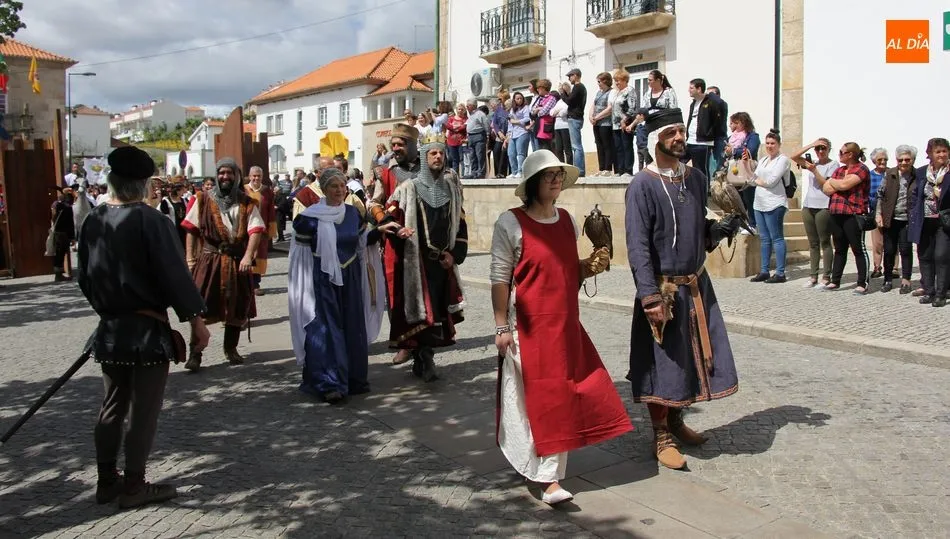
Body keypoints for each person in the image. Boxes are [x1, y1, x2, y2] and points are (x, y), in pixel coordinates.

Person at [490, 150, 631, 506]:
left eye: (558, 174)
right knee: (537, 400)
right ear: (532, 183)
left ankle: (543, 469)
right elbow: (499, 279)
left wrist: (589, 266)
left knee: (571, 393)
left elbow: (564, 269)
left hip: (566, 324)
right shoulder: (510, 223)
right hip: (529, 328)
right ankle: (547, 477)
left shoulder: (567, 220)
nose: (554, 180)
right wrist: (500, 327)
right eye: (547, 175)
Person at [77, 145, 210, 509]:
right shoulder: (152, 222)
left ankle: (107, 482)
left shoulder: (93, 220)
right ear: (142, 183)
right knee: (143, 412)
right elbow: (175, 277)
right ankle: (133, 486)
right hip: (147, 332)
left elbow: (84, 277)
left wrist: (108, 309)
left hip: (111, 329)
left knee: (111, 406)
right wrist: (196, 322)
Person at [624, 108, 741, 470]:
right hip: (664, 290)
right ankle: (660, 434)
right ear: (655, 139)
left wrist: (715, 231)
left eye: (681, 131)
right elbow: (638, 246)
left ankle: (677, 420)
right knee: (663, 364)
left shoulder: (695, 178)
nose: (679, 138)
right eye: (671, 132)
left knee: (688, 360)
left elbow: (694, 231)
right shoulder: (642, 185)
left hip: (695, 285)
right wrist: (650, 296)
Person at [375, 132, 468, 382]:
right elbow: (390, 216)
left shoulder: (452, 188)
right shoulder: (409, 188)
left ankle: (426, 356)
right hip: (416, 262)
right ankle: (423, 357)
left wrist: (454, 254)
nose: (438, 157)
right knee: (420, 312)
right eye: (433, 153)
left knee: (436, 312)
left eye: (441, 153)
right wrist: (398, 230)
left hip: (441, 262)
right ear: (425, 158)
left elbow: (460, 224)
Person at [292, 168, 370, 403]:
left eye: (342, 186)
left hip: (351, 277)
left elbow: (362, 243)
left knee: (352, 325)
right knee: (326, 329)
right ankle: (329, 382)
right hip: (323, 280)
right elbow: (300, 254)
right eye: (333, 186)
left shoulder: (353, 214)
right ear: (324, 189)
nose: (339, 190)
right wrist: (302, 287)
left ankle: (354, 378)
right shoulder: (309, 218)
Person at [181, 157, 265, 370]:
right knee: (200, 305)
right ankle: (196, 353)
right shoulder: (202, 199)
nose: (225, 177)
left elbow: (255, 230)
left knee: (237, 305)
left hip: (237, 260)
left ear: (237, 176)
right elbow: (191, 229)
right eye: (221, 173)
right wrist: (190, 258)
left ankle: (231, 348)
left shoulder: (247, 202)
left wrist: (248, 256)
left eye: (229, 173)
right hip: (209, 260)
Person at [804, 142, 871, 294]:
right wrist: (835, 184)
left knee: (858, 249)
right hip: (836, 212)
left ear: (850, 155)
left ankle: (863, 282)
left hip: (853, 214)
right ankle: (835, 281)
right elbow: (827, 189)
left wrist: (833, 183)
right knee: (840, 249)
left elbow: (844, 185)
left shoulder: (861, 169)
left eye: (841, 152)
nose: (839, 154)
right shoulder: (840, 170)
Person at [908, 137, 950, 307]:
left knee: (941, 256)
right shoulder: (921, 172)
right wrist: (912, 212)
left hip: (944, 222)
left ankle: (941, 294)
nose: (941, 154)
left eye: (944, 151)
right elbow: (914, 194)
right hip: (924, 220)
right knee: (924, 256)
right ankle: (929, 291)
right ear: (930, 154)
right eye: (937, 151)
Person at [791, 138, 838, 287]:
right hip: (808, 205)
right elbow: (794, 157)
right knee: (813, 243)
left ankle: (826, 276)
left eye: (823, 148)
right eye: (818, 149)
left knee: (825, 241)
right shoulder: (813, 163)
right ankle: (813, 276)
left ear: (829, 149)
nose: (820, 151)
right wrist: (811, 145)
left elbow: (826, 184)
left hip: (823, 205)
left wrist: (814, 171)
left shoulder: (833, 165)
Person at [747, 129, 791, 284]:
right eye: (768, 143)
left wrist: (757, 180)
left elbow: (771, 181)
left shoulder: (783, 160)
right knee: (764, 238)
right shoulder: (764, 160)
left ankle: (780, 272)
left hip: (775, 202)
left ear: (779, 144)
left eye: (773, 143)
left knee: (777, 237)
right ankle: (764, 270)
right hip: (759, 202)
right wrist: (754, 178)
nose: (770, 146)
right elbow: (752, 178)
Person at [875, 145, 917, 294]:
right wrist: (878, 214)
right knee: (889, 250)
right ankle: (887, 280)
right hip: (890, 217)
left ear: (912, 160)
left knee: (906, 249)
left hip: (907, 219)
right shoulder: (890, 174)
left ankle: (906, 280)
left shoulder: (917, 175)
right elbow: (880, 195)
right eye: (901, 159)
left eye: (907, 159)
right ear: (897, 160)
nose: (904, 162)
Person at [725, 113, 761, 231]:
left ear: (744, 123)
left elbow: (749, 150)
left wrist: (734, 150)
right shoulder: (732, 137)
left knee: (749, 197)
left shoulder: (753, 136)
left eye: (737, 122)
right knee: (737, 199)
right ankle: (741, 224)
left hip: (747, 170)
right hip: (734, 170)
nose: (734, 125)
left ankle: (752, 224)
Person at [684, 78, 725, 182]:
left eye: (691, 88)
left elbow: (718, 117)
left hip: (703, 142)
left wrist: (708, 133)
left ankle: (704, 194)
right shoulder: (693, 103)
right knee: (680, 161)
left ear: (699, 89)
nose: (689, 90)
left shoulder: (711, 102)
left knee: (701, 170)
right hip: (690, 141)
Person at [244, 165, 277, 296]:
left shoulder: (267, 192)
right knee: (246, 254)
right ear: (250, 176)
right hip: (245, 229)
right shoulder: (243, 190)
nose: (256, 178)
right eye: (254, 175)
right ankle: (245, 283)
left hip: (261, 230)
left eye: (259, 175)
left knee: (259, 256)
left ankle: (255, 284)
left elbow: (271, 211)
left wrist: (271, 229)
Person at [637, 70, 678, 170]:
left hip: (663, 124)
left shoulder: (669, 92)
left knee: (662, 149)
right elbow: (643, 109)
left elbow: (673, 109)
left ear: (658, 80)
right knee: (649, 149)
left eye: (650, 80)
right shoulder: (647, 94)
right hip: (650, 125)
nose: (648, 82)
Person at [560, 68, 588, 177]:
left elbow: (569, 101)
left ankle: (580, 170)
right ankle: (579, 169)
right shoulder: (579, 88)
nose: (569, 78)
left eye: (570, 76)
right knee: (575, 145)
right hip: (576, 117)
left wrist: (562, 93)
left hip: (575, 118)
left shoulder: (578, 87)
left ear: (575, 75)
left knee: (576, 146)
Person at [589, 72, 616, 177]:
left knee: (607, 145)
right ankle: (601, 168)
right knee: (599, 145)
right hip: (597, 123)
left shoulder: (611, 92)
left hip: (606, 123)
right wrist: (591, 116)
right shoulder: (599, 92)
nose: (598, 84)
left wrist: (597, 117)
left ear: (605, 81)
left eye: (599, 81)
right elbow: (593, 105)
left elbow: (609, 108)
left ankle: (608, 168)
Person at [868, 148, 889, 279]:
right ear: (874, 161)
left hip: (891, 211)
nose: (883, 162)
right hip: (875, 210)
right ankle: (877, 267)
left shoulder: (891, 173)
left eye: (885, 159)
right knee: (877, 242)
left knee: (892, 241)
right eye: (879, 159)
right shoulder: (870, 175)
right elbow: (866, 194)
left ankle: (893, 268)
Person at [614, 69, 637, 177]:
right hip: (616, 124)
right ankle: (620, 169)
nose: (617, 83)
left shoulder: (630, 90)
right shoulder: (618, 92)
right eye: (615, 81)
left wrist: (624, 120)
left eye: (618, 80)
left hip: (626, 123)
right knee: (618, 148)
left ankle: (628, 170)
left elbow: (632, 108)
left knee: (627, 146)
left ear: (625, 80)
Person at [50, 187, 76, 281]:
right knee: (61, 253)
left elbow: (53, 215)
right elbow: (71, 223)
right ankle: (58, 275)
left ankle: (58, 273)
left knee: (58, 253)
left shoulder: (56, 204)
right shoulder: (68, 208)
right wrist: (72, 237)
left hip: (57, 231)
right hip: (64, 233)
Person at [159, 178, 188, 248]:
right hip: (173, 229)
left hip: (184, 230)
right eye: (182, 190)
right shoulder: (166, 202)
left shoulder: (185, 201)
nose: (184, 192)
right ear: (177, 191)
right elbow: (165, 217)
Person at [465, 98, 491, 179]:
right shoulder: (471, 115)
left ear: (473, 106)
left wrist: (487, 134)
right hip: (471, 136)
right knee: (472, 156)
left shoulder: (480, 114)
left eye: (468, 106)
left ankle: (481, 172)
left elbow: (486, 124)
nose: (467, 107)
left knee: (480, 155)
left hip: (479, 135)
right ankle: (474, 172)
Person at [530, 80, 558, 153]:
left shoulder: (551, 98)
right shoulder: (540, 98)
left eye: (539, 88)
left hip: (546, 128)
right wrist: (538, 109)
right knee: (541, 149)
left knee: (547, 149)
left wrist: (538, 109)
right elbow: (532, 111)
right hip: (539, 128)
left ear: (543, 88)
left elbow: (543, 112)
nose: (537, 89)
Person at [706, 86, 729, 174]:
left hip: (719, 137)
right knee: (709, 165)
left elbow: (718, 102)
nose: (708, 96)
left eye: (711, 94)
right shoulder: (707, 106)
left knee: (718, 164)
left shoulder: (722, 104)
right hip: (708, 139)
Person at [551, 85, 572, 165]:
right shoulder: (559, 101)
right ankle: (562, 165)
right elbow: (552, 112)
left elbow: (564, 112)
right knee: (558, 148)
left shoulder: (567, 100)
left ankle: (569, 165)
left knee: (567, 148)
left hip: (565, 126)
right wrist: (557, 112)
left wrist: (557, 112)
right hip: (557, 126)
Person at [490, 94, 510, 178]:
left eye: (500, 99)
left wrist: (506, 136)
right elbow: (495, 123)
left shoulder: (509, 110)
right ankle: (497, 173)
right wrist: (499, 133)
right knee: (496, 151)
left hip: (508, 135)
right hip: (499, 135)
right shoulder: (498, 111)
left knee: (504, 154)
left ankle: (503, 173)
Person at [445, 104, 467, 175]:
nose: (460, 111)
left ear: (464, 110)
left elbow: (464, 127)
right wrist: (458, 127)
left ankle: (463, 175)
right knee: (454, 160)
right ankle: (455, 176)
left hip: (461, 142)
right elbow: (448, 126)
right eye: (459, 109)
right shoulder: (451, 118)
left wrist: (455, 127)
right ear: (456, 110)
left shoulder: (465, 119)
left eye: (462, 109)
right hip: (451, 142)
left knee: (462, 159)